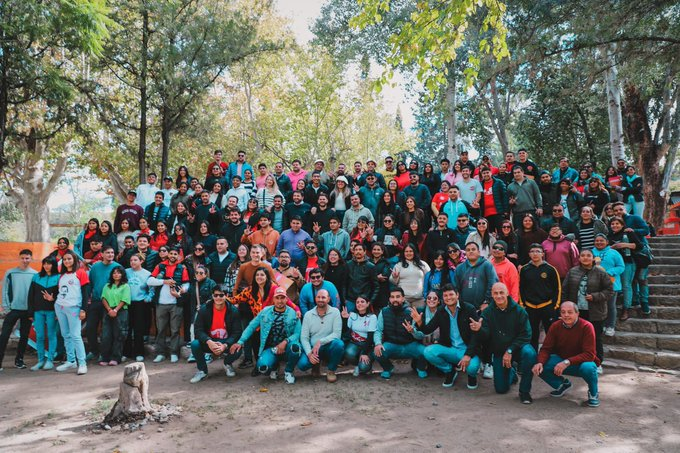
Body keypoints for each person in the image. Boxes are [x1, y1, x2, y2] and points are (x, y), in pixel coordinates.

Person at [470, 282, 536, 404]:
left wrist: (510, 350)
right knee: (501, 389)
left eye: (501, 292)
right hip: (500, 351)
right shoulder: (488, 312)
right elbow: (486, 336)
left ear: (507, 293)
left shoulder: (519, 311)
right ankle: (512, 373)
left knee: (530, 354)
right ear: (492, 295)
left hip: (517, 349)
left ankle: (524, 391)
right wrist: (479, 330)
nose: (499, 296)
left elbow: (526, 335)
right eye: (496, 293)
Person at [531, 301, 601, 407]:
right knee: (540, 365)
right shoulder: (555, 326)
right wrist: (539, 362)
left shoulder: (587, 326)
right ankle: (562, 385)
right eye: (563, 312)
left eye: (570, 312)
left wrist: (567, 362)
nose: (566, 315)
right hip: (563, 360)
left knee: (589, 367)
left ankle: (593, 393)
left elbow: (589, 354)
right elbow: (546, 349)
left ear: (577, 314)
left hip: (582, 363)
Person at [412, 285, 481, 389]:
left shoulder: (469, 309)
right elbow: (428, 329)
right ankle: (450, 371)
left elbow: (476, 336)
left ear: (457, 295)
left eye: (451, 294)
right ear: (443, 298)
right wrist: (419, 322)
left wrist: (468, 355)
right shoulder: (441, 311)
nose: (448, 298)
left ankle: (471, 376)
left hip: (467, 349)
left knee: (472, 367)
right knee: (428, 351)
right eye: (445, 295)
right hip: (450, 348)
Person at [230, 287, 302, 384]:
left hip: (287, 347)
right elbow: (251, 326)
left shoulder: (293, 313)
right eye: (277, 298)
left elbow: (298, 333)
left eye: (282, 298)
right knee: (263, 368)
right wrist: (240, 341)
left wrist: (285, 342)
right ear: (273, 299)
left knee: (295, 348)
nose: (280, 301)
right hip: (270, 348)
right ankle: (274, 366)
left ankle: (288, 371)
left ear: (286, 299)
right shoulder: (265, 312)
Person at [561, 248, 614, 370]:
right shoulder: (572, 272)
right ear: (579, 258)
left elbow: (609, 291)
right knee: (576, 337)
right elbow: (565, 291)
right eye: (583, 255)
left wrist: (595, 296)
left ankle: (597, 362)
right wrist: (564, 308)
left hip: (595, 311)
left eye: (588, 255)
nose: (585, 257)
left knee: (596, 338)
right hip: (576, 311)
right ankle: (576, 361)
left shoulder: (600, 272)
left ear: (593, 258)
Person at [189, 286, 243, 383]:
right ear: (212, 296)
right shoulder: (204, 309)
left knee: (238, 347)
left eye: (221, 295)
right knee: (195, 344)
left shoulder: (233, 311)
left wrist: (225, 345)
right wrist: (209, 341)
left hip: (225, 342)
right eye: (216, 295)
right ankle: (202, 370)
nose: (218, 298)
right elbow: (198, 330)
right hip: (210, 341)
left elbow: (237, 332)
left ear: (226, 296)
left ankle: (227, 364)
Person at [373, 287, 428, 379]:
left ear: (403, 298)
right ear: (389, 299)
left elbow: (420, 336)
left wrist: (412, 331)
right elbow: (378, 330)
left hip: (410, 345)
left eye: (398, 297)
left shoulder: (411, 312)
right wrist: (378, 343)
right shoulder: (384, 312)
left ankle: (420, 368)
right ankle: (388, 368)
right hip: (391, 344)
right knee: (377, 352)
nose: (395, 299)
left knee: (426, 352)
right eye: (392, 297)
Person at [148, 247, 190, 364]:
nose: (172, 255)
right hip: (161, 303)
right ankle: (160, 353)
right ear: (167, 254)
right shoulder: (160, 266)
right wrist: (164, 282)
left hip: (176, 303)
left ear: (178, 256)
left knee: (175, 330)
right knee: (160, 329)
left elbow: (187, 284)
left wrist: (181, 291)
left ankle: (174, 353)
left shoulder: (182, 268)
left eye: (175, 254)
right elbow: (149, 281)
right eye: (171, 253)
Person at [518, 243, 562, 351]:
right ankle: (533, 358)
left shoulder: (551, 269)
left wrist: (555, 306)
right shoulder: (524, 269)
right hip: (530, 306)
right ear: (529, 254)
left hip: (547, 305)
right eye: (532, 251)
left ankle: (551, 356)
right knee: (532, 334)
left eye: (538, 251)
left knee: (551, 333)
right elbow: (521, 288)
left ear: (542, 254)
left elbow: (558, 288)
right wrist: (522, 304)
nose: (535, 254)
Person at [0, 249, 38, 370]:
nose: (25, 260)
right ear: (19, 258)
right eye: (23, 258)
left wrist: (33, 310)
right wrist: (6, 307)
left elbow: (35, 294)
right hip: (13, 310)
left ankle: (19, 360)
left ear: (31, 259)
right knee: (4, 335)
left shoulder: (34, 274)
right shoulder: (10, 273)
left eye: (27, 258)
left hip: (27, 311)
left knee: (24, 336)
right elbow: (5, 290)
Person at [54, 251, 90, 375]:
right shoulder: (62, 274)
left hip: (74, 308)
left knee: (75, 335)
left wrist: (83, 309)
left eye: (69, 259)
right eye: (65, 259)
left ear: (74, 260)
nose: (67, 261)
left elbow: (85, 293)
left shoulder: (81, 272)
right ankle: (71, 361)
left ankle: (82, 363)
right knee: (65, 335)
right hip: (60, 307)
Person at [297, 289, 344, 382]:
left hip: (328, 346)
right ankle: (315, 365)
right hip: (313, 348)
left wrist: (321, 341)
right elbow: (304, 337)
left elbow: (337, 334)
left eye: (323, 297)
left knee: (339, 344)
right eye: (318, 297)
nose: (320, 299)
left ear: (328, 299)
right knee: (302, 365)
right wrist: (309, 353)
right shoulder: (308, 315)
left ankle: (331, 370)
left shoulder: (335, 312)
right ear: (315, 298)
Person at [85, 246, 119, 361]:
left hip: (111, 303)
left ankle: (104, 354)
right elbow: (90, 283)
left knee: (106, 330)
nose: (110, 254)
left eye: (112, 252)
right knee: (90, 327)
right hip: (95, 301)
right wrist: (87, 298)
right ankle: (93, 350)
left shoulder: (117, 267)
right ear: (102, 254)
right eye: (108, 252)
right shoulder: (95, 267)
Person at [27, 255, 60, 371]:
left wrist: (53, 300)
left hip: (52, 312)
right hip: (38, 312)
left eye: (49, 263)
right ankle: (41, 360)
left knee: (51, 335)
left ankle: (50, 360)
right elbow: (31, 296)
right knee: (39, 336)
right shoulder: (36, 277)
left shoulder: (59, 277)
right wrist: (30, 313)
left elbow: (62, 297)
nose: (46, 266)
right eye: (45, 263)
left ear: (53, 265)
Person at [592, 233, 625, 337]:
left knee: (610, 306)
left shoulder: (614, 253)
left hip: (611, 283)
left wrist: (609, 272)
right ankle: (600, 326)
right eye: (597, 240)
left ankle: (610, 326)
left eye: (602, 240)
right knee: (598, 307)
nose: (599, 242)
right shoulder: (590, 252)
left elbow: (621, 266)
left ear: (607, 242)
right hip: (595, 284)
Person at [124, 254, 154, 362]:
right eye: (131, 260)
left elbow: (151, 289)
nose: (132, 262)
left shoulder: (147, 274)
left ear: (141, 261)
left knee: (138, 329)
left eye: (135, 260)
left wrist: (148, 297)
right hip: (126, 302)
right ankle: (126, 353)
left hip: (140, 303)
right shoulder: (126, 272)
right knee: (127, 328)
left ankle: (139, 353)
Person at [99, 266, 131, 366]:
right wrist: (109, 309)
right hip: (108, 310)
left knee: (119, 334)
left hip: (120, 311)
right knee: (106, 334)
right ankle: (105, 357)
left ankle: (116, 358)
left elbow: (125, 299)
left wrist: (116, 310)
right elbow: (103, 298)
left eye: (118, 273)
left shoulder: (125, 286)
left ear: (122, 274)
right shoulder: (107, 286)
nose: (116, 274)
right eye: (114, 273)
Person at [453, 242, 498, 311]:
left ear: (479, 252)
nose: (470, 251)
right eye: (468, 250)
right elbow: (456, 287)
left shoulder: (487, 265)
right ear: (465, 253)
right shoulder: (459, 268)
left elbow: (493, 284)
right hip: (464, 308)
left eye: (473, 249)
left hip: (484, 308)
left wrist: (487, 302)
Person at [341, 295, 377, 377]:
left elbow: (371, 337)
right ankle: (357, 365)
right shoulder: (353, 315)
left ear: (368, 304)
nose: (359, 304)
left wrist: (364, 353)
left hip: (368, 344)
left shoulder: (372, 317)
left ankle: (366, 366)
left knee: (364, 367)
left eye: (362, 302)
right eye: (357, 302)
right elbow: (345, 330)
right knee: (348, 352)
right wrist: (344, 319)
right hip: (355, 343)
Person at [389, 244, 430, 309]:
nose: (408, 253)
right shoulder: (399, 265)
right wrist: (395, 277)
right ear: (403, 253)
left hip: (420, 298)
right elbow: (393, 282)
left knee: (419, 317)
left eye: (411, 251)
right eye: (406, 251)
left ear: (414, 252)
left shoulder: (422, 264)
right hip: (404, 299)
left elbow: (429, 278)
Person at [345, 243, 378, 313]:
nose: (358, 252)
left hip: (364, 300)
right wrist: (345, 299)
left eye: (360, 249)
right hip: (350, 300)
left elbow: (376, 286)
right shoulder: (348, 264)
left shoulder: (371, 266)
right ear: (353, 252)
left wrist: (371, 301)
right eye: (356, 250)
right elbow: (344, 283)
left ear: (365, 252)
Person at [479, 166, 508, 234]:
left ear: (491, 173)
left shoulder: (498, 182)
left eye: (487, 172)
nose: (486, 174)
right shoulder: (480, 185)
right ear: (481, 174)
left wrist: (506, 210)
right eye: (484, 173)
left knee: (502, 233)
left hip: (498, 212)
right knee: (490, 234)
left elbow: (505, 196)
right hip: (486, 214)